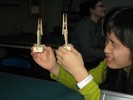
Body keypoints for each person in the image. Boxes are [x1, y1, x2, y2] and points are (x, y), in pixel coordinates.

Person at [31, 7, 133, 100]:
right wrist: (54, 67)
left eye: (114, 44)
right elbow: (81, 84)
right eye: (107, 40)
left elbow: (85, 82)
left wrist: (80, 73)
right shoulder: (106, 65)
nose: (106, 49)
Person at [70, 0, 106, 68]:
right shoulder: (84, 25)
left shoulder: (98, 23)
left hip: (91, 59)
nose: (104, 9)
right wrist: (108, 53)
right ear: (92, 10)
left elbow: (98, 40)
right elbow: (87, 51)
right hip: (81, 62)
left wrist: (112, 44)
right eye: (101, 6)